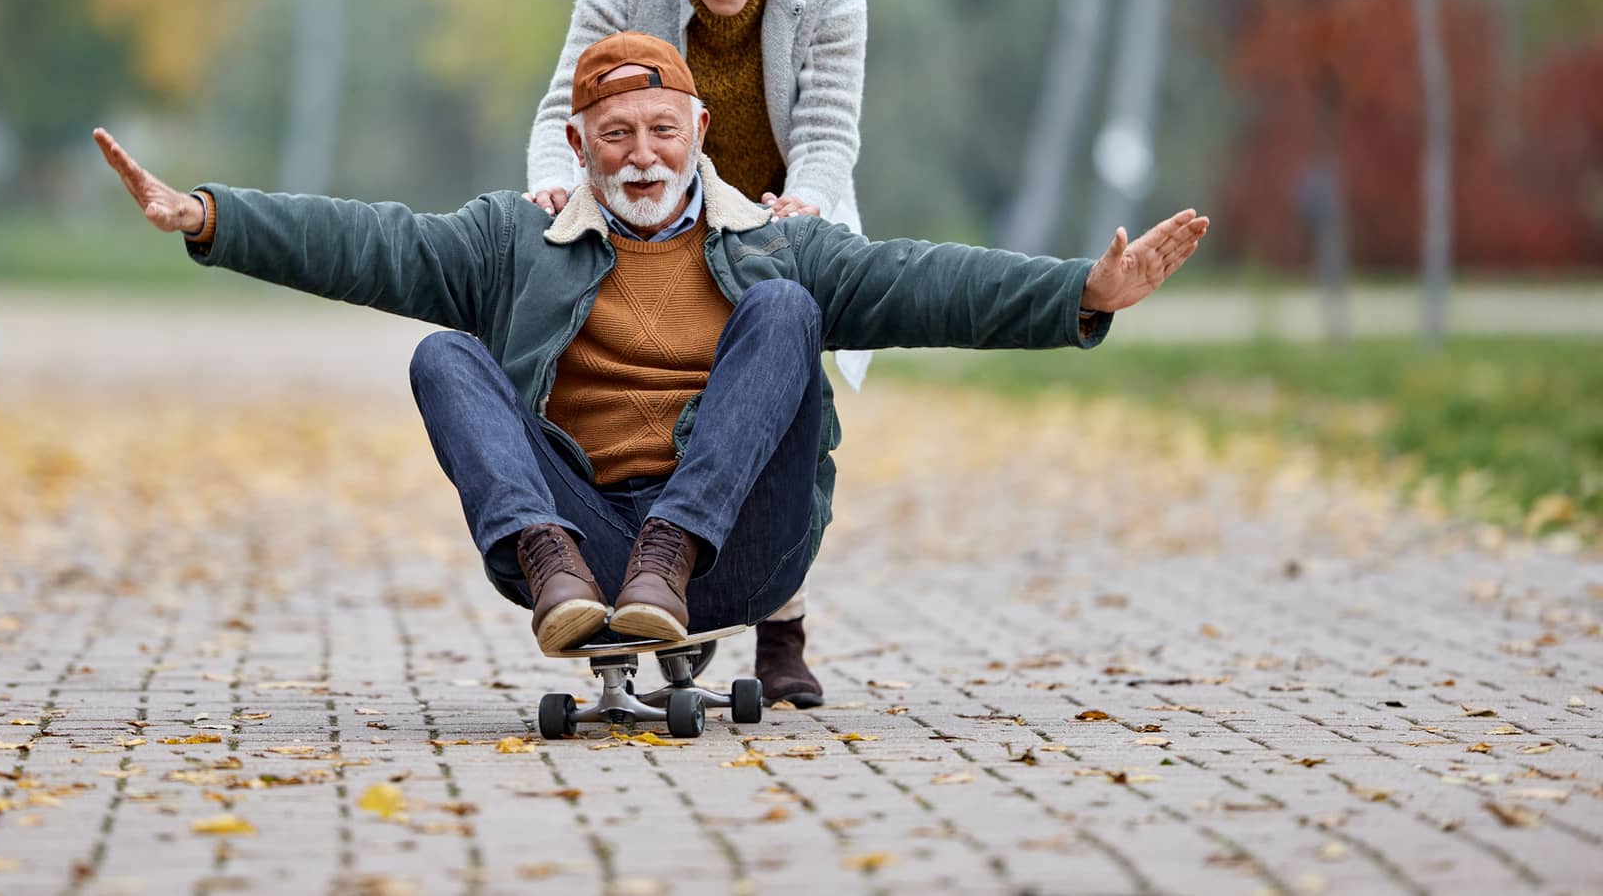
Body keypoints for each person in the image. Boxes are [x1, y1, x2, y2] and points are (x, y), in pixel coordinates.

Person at [93, 33, 1208, 674]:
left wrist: (1081, 292)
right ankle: (556, 576)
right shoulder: (510, 242)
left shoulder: (774, 244)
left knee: (783, 314)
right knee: (444, 355)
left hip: (731, 550)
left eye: (660, 131)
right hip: (573, 539)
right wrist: (211, 217)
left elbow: (925, 280)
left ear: (697, 137)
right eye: (614, 136)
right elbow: (373, 243)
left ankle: (665, 562)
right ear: (578, 146)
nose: (638, 154)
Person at [525, 0, 868, 704]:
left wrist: (808, 209)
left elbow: (829, 129)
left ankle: (780, 621)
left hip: (776, 206)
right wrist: (555, 190)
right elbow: (571, 97)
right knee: (657, 392)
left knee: (782, 401)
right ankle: (677, 586)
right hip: (654, 199)